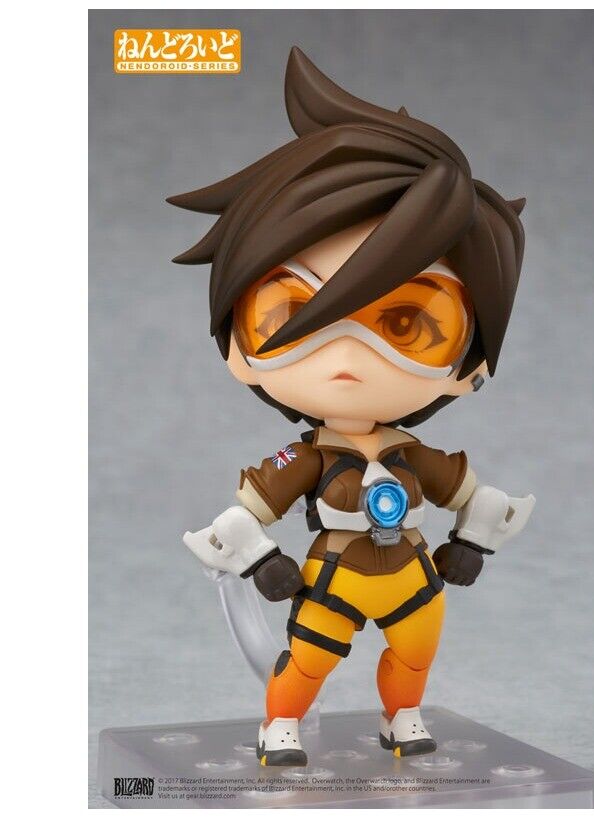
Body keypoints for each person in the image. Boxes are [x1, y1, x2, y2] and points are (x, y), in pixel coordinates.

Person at [171, 47, 534, 766]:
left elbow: (480, 498)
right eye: (292, 312)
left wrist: (473, 542)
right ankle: (281, 725)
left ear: (469, 364)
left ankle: (403, 716)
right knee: (308, 661)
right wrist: (260, 561)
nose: (345, 353)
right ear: (241, 347)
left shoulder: (415, 457)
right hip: (332, 577)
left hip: (413, 576)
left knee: (416, 650)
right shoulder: (306, 458)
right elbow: (240, 517)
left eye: (406, 323)